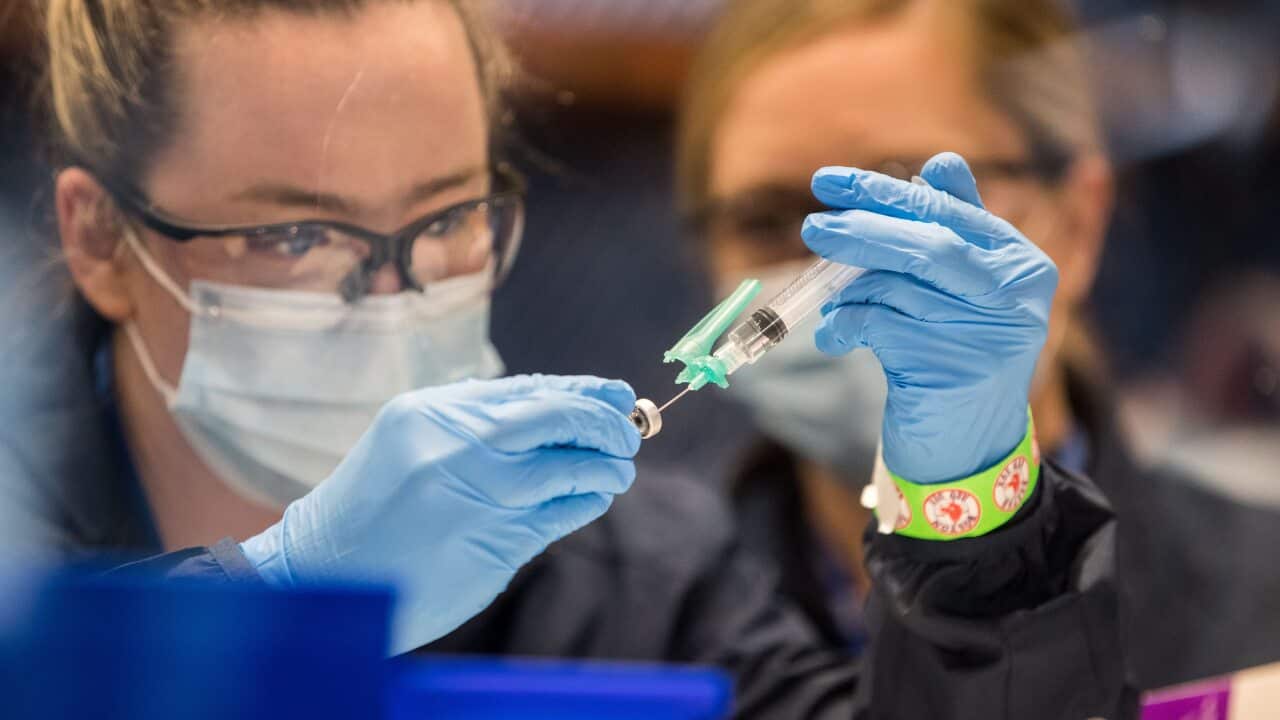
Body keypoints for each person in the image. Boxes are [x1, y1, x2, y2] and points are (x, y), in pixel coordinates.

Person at [6, 0, 1129, 716]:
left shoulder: (636, 583)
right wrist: (272, 601)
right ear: (102, 239)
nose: (395, 291)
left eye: (447, 216)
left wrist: (972, 502)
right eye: (295, 234)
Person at [679, 0, 1280, 691]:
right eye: (766, 220)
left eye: (902, 209)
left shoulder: (1264, 610)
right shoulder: (639, 622)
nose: (832, 272)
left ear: (1077, 221)